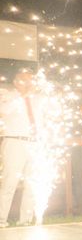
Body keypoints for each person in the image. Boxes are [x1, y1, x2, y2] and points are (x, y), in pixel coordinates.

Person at [0, 70, 41, 227]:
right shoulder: (7, 95)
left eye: (31, 80)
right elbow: (3, 112)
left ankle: (25, 219)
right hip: (15, 141)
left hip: (35, 143)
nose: (30, 83)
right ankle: (1, 218)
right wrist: (22, 96)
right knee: (10, 181)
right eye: (25, 80)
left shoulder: (37, 99)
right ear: (17, 82)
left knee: (31, 183)